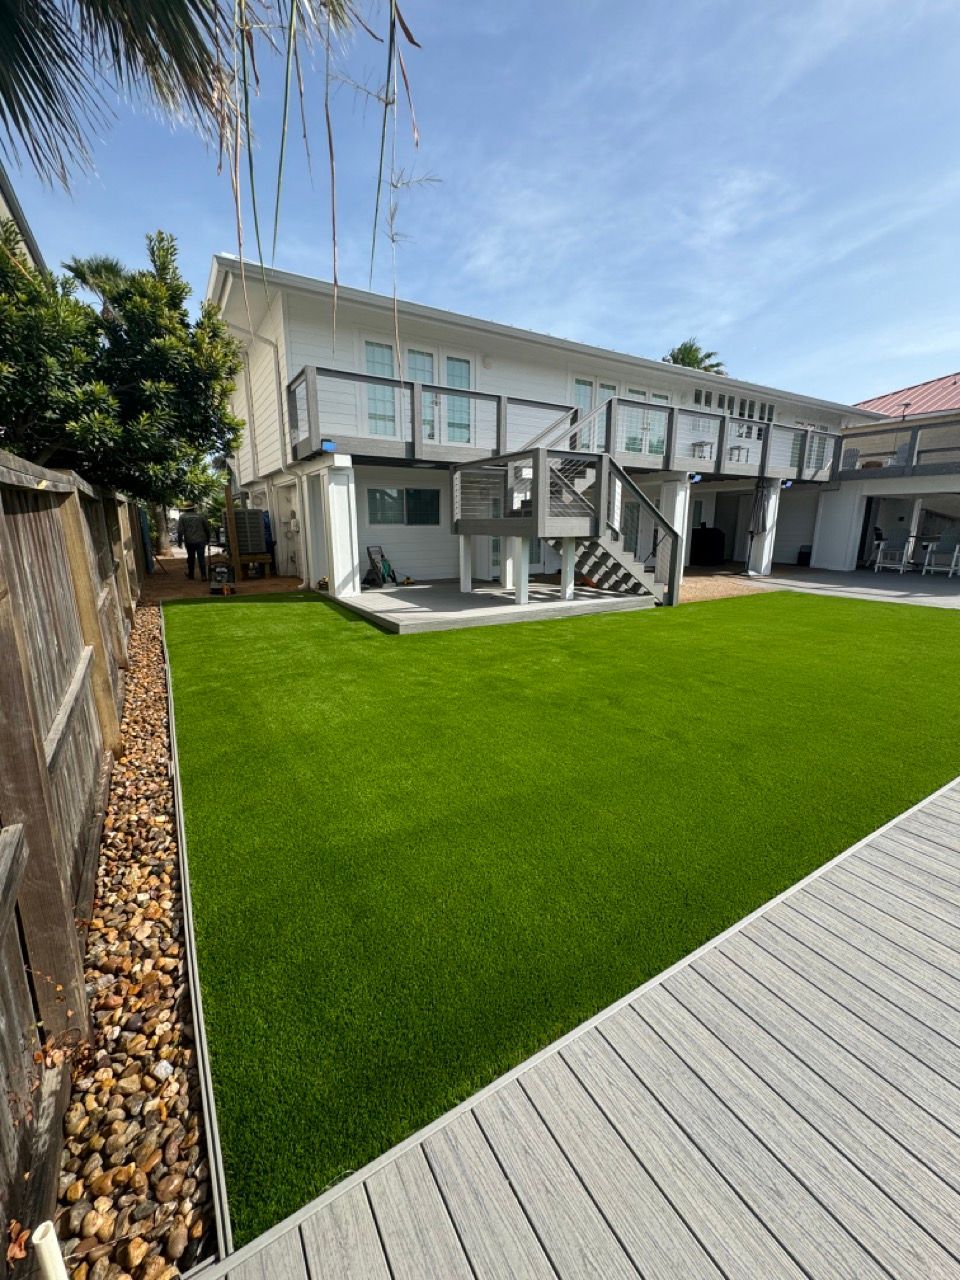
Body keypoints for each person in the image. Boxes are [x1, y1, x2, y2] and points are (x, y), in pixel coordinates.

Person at [177, 504, 211, 581]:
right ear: (194, 509)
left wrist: (179, 542)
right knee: (201, 558)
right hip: (201, 540)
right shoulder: (200, 516)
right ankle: (203, 576)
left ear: (185, 509)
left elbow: (180, 531)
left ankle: (191, 575)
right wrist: (208, 539)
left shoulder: (182, 517)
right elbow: (206, 528)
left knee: (191, 558)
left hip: (189, 541)